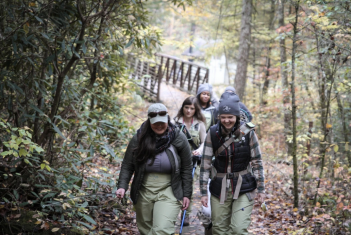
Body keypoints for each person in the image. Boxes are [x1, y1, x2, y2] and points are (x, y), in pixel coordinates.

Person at [116, 103, 193, 235]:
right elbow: (128, 165)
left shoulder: (178, 138)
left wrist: (187, 193)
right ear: (149, 121)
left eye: (162, 122)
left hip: (170, 189)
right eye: (155, 123)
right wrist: (122, 186)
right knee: (146, 229)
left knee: (161, 230)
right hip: (143, 188)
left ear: (167, 120)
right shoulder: (139, 138)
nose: (159, 125)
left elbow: (187, 167)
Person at [199, 93, 265, 235]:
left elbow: (256, 161)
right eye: (223, 117)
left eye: (230, 117)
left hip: (244, 186)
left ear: (236, 116)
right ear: (218, 117)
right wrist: (203, 192)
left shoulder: (248, 132)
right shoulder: (212, 133)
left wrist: (261, 188)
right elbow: (205, 164)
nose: (226, 120)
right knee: (219, 230)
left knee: (238, 229)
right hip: (219, 187)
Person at [173, 96, 207, 226]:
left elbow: (204, 142)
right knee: (175, 186)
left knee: (188, 188)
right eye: (186, 107)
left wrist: (199, 151)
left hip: (192, 161)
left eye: (191, 108)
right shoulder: (175, 122)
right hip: (176, 160)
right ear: (183, 108)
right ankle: (172, 211)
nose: (188, 111)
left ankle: (185, 215)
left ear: (195, 110)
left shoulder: (199, 124)